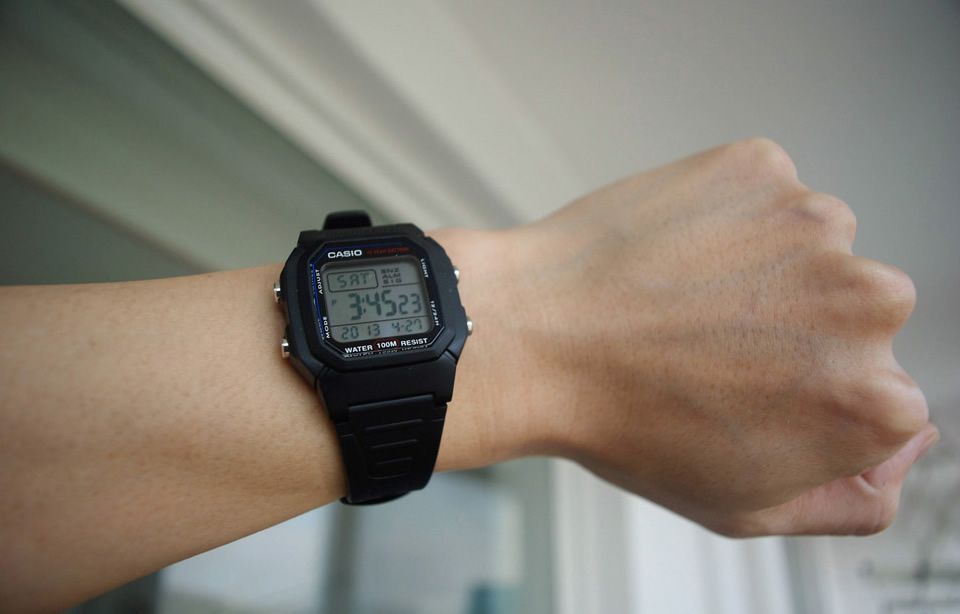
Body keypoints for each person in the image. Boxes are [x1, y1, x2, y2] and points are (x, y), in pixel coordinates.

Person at [0, 139, 936, 612]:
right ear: (297, 320)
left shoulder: (425, 307)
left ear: (441, 294)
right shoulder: (324, 324)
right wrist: (540, 329)